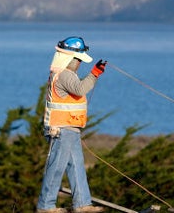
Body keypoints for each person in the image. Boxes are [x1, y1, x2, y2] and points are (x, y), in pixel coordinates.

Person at [36, 36, 107, 213]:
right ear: (69, 57)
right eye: (78, 59)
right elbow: (81, 89)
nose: (79, 63)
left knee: (76, 166)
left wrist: (94, 74)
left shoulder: (64, 74)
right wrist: (95, 74)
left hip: (69, 128)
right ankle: (46, 206)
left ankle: (82, 203)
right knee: (56, 167)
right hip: (61, 128)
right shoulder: (65, 75)